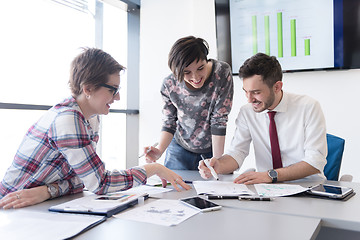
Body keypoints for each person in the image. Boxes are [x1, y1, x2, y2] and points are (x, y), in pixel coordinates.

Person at [0, 48, 190, 209]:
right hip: (12, 205)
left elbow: (83, 179)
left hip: (40, 204)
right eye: (112, 90)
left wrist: (50, 190)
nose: (117, 98)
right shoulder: (68, 119)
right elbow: (100, 183)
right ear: (88, 89)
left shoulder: (90, 118)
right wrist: (153, 168)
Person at [199, 53, 327, 184]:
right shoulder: (247, 112)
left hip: (307, 187)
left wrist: (271, 175)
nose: (249, 99)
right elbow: (237, 152)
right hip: (267, 190)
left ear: (277, 87)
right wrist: (219, 166)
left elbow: (315, 161)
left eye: (256, 92)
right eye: (246, 91)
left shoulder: (308, 107)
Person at [143, 36, 234, 170]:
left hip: (211, 148)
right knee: (175, 188)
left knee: (213, 188)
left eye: (200, 68)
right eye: (186, 72)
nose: (195, 77)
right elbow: (169, 122)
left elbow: (219, 119)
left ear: (206, 59)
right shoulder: (169, 84)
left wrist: (217, 161)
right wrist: (159, 151)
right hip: (179, 148)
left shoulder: (221, 72)